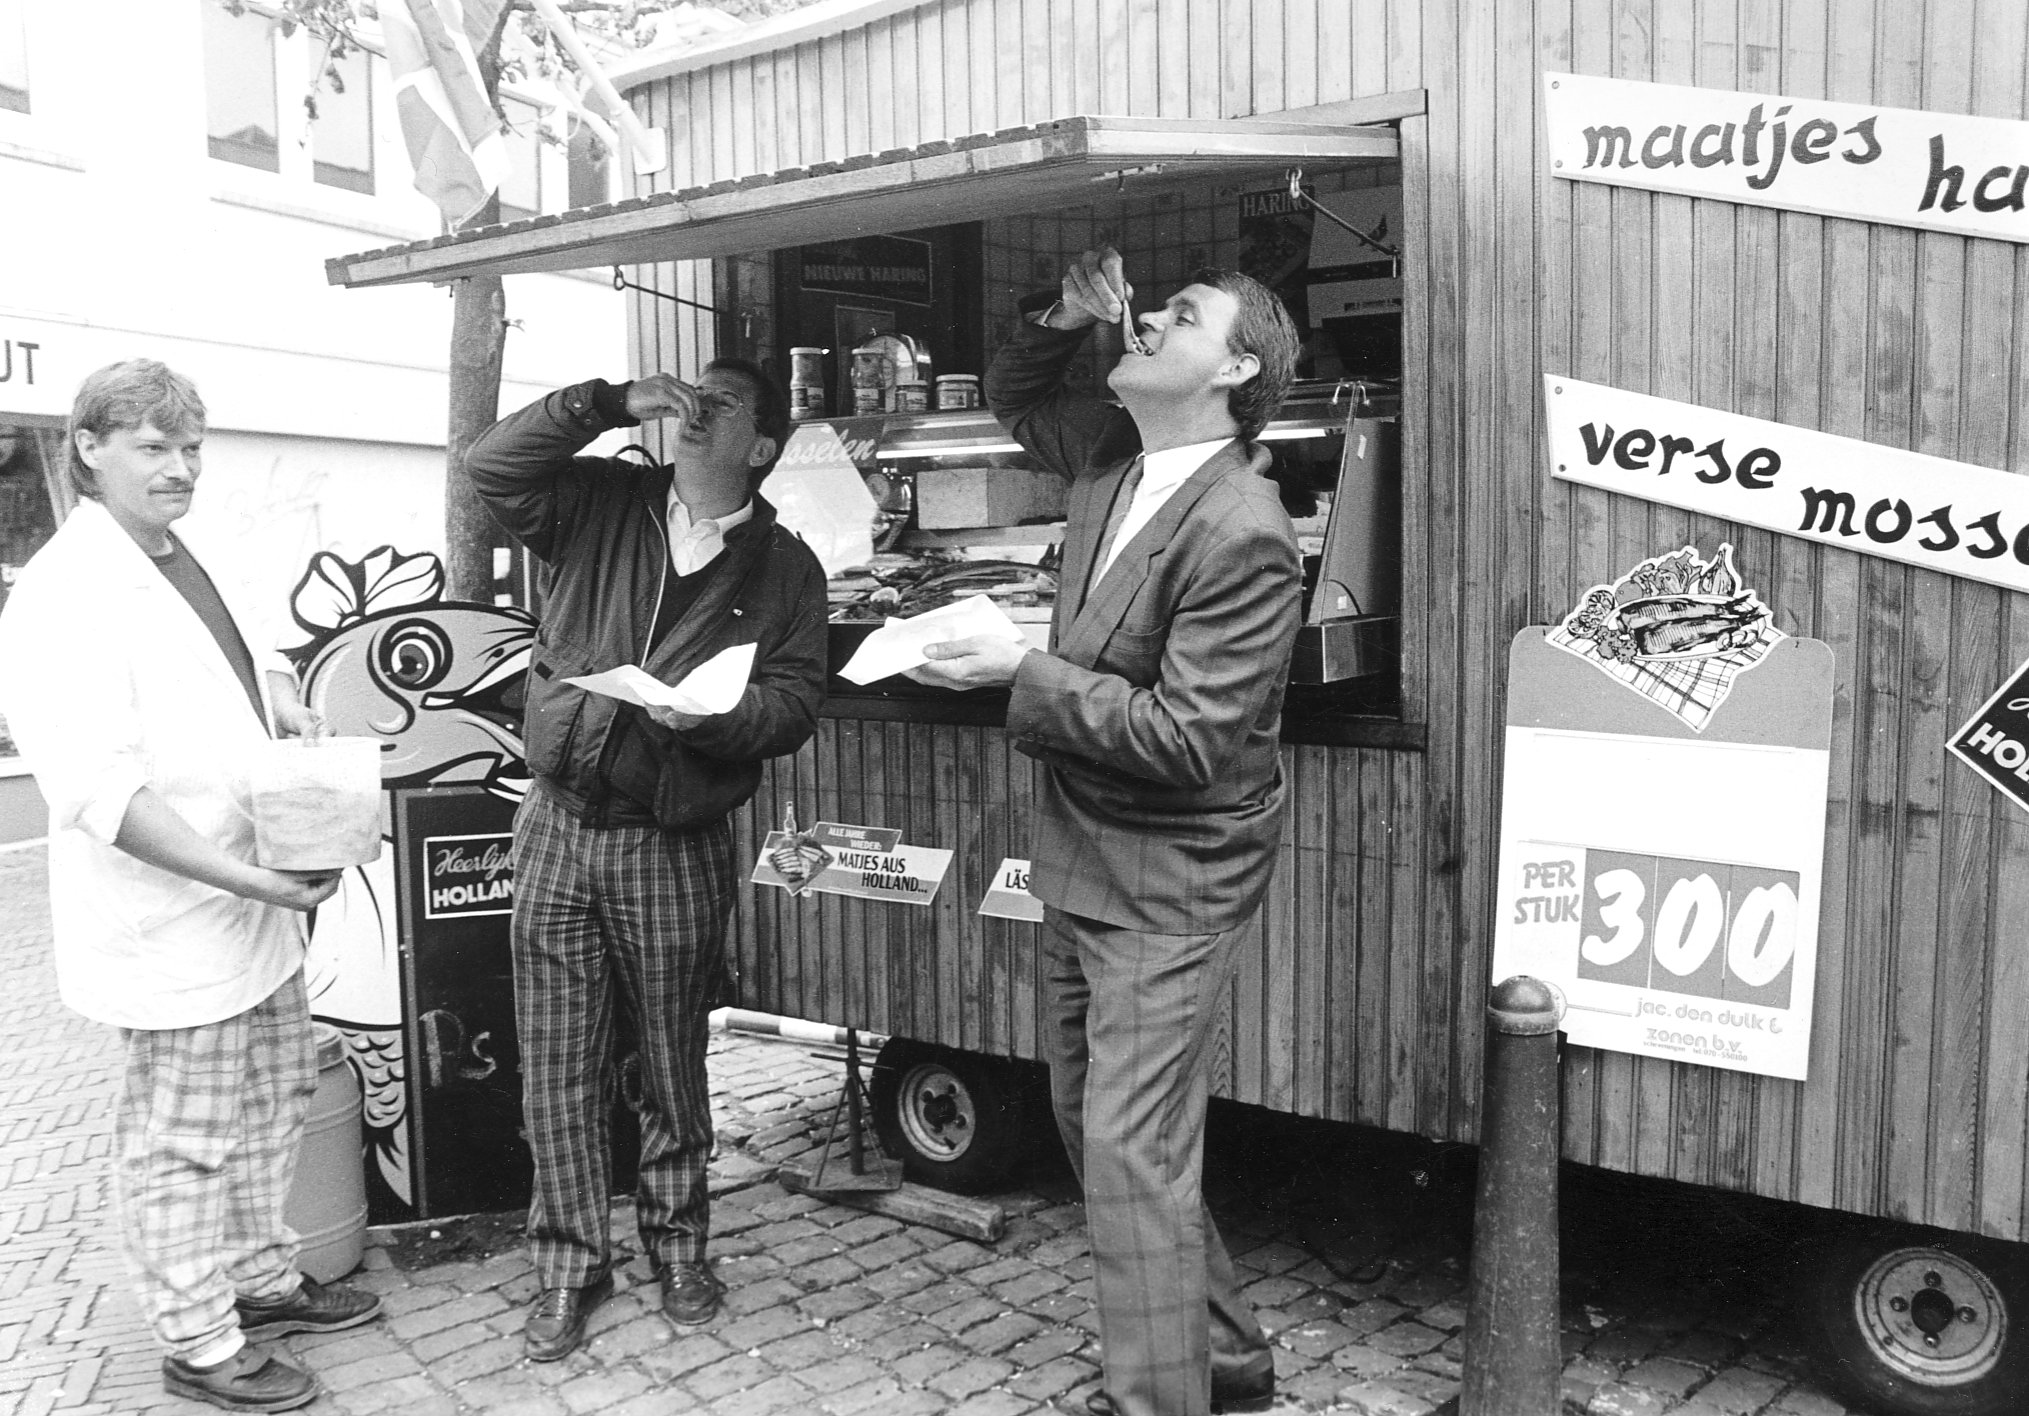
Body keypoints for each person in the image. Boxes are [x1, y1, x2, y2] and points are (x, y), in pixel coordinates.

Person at [910, 250, 1304, 1416]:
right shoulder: (1112, 460)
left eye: (1183, 317)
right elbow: (1021, 396)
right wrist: (1060, 311)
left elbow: (1188, 740)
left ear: (1235, 368)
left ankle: (1159, 1400)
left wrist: (1018, 669)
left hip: (1174, 871)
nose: (1153, 319)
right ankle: (1227, 1361)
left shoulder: (1243, 527)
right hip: (1085, 847)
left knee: (1130, 1147)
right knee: (1094, 1123)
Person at [0, 360, 382, 1414]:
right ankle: (199, 1342)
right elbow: (94, 792)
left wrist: (287, 706)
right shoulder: (63, 592)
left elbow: (236, 669)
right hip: (180, 916)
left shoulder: (178, 553)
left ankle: (259, 1283)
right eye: (155, 448)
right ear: (87, 447)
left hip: (250, 904)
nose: (182, 469)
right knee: (180, 1140)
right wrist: (248, 878)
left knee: (271, 1103)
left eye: (192, 448)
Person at [466, 359, 828, 1361]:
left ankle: (679, 1248)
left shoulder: (786, 567)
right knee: (557, 1063)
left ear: (760, 447)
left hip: (671, 837)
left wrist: (711, 718)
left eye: (723, 405)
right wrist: (601, 402)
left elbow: (793, 704)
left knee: (670, 1059)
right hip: (558, 818)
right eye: (690, 395)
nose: (695, 410)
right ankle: (569, 1266)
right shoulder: (601, 498)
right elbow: (490, 465)